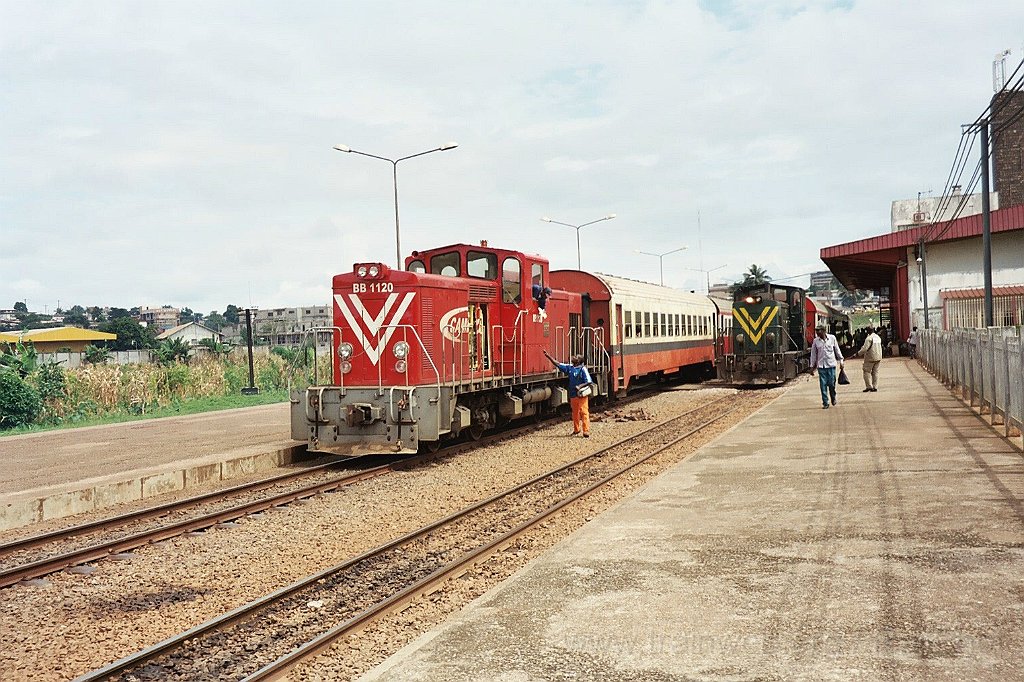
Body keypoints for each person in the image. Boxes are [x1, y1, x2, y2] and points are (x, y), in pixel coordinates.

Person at [543, 351, 592, 437]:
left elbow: (589, 381)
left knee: (584, 412)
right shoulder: (570, 367)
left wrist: (580, 386)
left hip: (581, 394)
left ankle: (586, 430)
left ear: (579, 361)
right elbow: (558, 364)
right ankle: (576, 429)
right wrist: (548, 357)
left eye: (577, 356)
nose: (574, 357)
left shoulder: (583, 369)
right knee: (575, 413)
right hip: (573, 394)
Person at [809, 324, 844, 409]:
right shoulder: (815, 341)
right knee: (823, 385)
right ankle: (825, 402)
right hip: (821, 366)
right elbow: (813, 354)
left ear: (824, 331)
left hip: (831, 365)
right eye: (816, 330)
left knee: (832, 383)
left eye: (818, 330)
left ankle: (833, 396)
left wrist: (841, 361)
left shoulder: (832, 338)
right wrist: (812, 366)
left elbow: (837, 350)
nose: (817, 332)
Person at [854, 325, 882, 392]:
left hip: (870, 357)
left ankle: (869, 386)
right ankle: (875, 387)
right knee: (875, 372)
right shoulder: (877, 337)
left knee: (866, 371)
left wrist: (858, 353)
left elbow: (865, 348)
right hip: (878, 357)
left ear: (868, 331)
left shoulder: (869, 338)